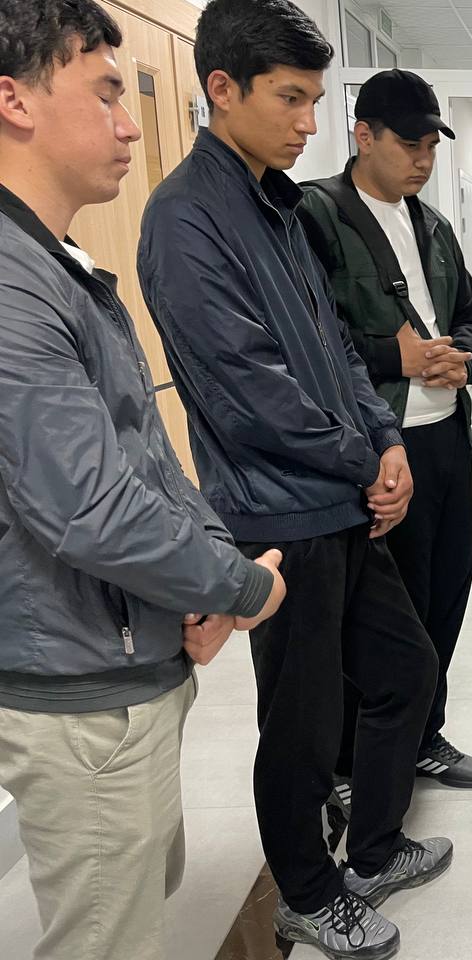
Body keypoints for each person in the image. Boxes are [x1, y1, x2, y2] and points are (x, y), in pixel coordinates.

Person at [137, 2, 449, 956]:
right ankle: (308, 895)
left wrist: (386, 441)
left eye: (316, 100)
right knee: (303, 727)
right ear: (221, 88)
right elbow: (248, 393)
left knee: (405, 673)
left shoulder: (277, 204)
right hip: (278, 518)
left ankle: (375, 850)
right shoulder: (185, 220)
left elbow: (338, 350)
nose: (310, 122)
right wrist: (367, 462)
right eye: (290, 98)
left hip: (341, 501)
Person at [0, 3, 286, 957]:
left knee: (138, 903)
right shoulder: (11, 285)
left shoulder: (57, 264)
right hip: (83, 688)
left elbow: (145, 459)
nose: (130, 126)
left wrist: (199, 578)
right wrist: (240, 585)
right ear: (15, 101)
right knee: (105, 938)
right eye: (106, 95)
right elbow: (91, 509)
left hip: (124, 658)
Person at [297, 68, 472, 790]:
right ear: (364, 135)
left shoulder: (433, 226)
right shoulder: (317, 216)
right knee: (383, 615)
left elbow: (469, 313)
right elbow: (309, 336)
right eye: (410, 144)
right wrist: (395, 358)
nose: (423, 160)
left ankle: (424, 734)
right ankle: (354, 761)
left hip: (446, 439)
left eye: (431, 147)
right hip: (379, 448)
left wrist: (462, 358)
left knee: (447, 591)